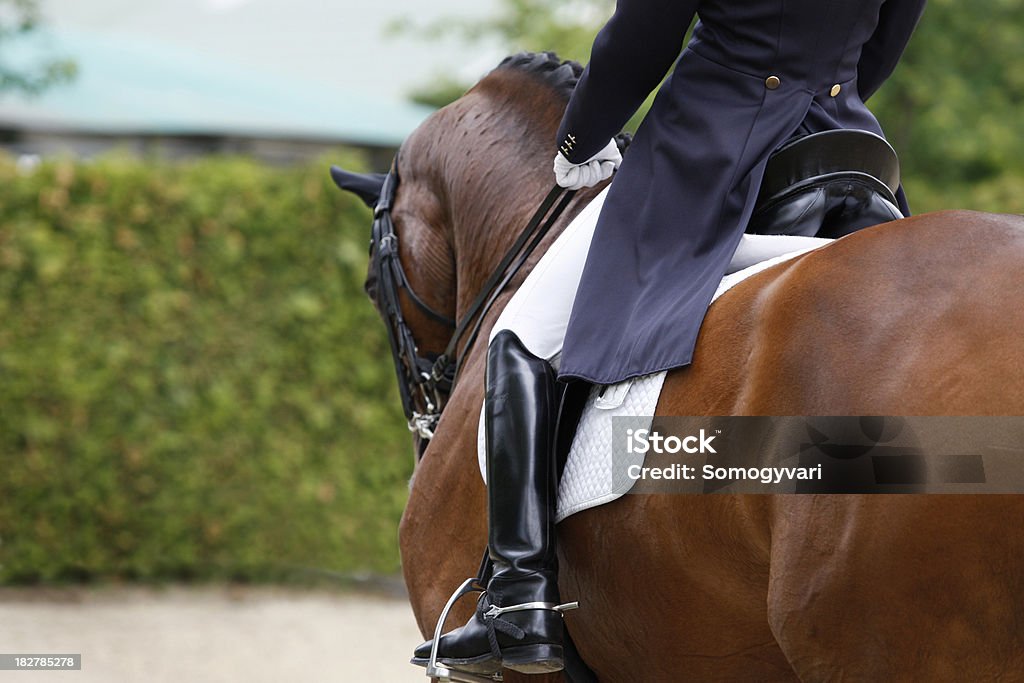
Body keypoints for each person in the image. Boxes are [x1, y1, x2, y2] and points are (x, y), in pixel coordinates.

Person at [413, 0, 926, 675]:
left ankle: (520, 599)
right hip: (849, 155)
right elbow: (885, 42)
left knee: (522, 336)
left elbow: (643, 36)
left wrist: (581, 139)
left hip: (709, 151)